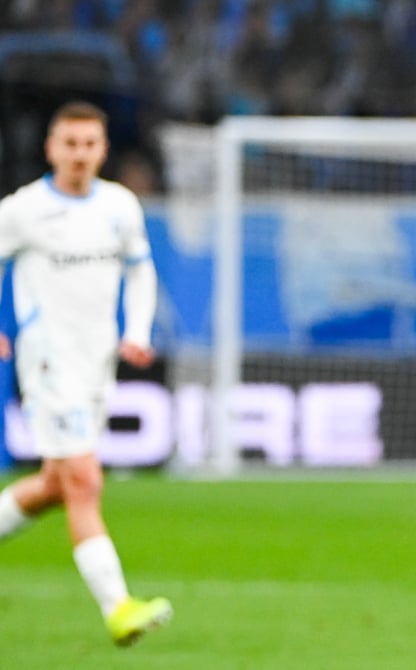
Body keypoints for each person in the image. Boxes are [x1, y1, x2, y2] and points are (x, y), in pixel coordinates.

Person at [0, 101, 172, 647]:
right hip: (48, 361)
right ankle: (118, 607)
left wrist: (137, 330)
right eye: (69, 144)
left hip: (96, 361)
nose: (79, 154)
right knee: (84, 480)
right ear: (51, 149)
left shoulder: (120, 206)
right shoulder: (23, 210)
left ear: (103, 149)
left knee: (56, 484)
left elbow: (141, 272)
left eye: (89, 144)